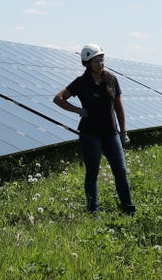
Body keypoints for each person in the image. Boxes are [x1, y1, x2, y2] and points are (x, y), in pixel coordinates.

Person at [53, 44, 135, 215]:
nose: (101, 63)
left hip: (111, 132)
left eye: (102, 59)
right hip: (90, 133)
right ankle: (93, 212)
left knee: (120, 171)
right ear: (87, 63)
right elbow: (58, 98)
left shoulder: (111, 79)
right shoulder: (81, 82)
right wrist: (78, 110)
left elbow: (119, 107)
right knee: (93, 173)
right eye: (96, 60)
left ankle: (128, 209)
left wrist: (123, 131)